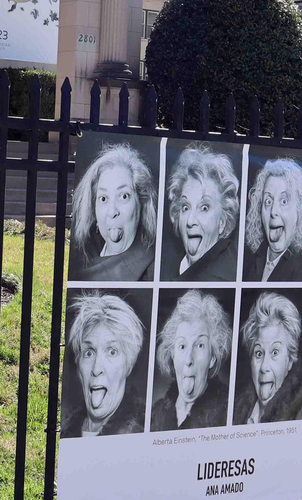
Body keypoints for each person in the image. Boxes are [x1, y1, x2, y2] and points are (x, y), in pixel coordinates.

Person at [69, 142, 158, 281]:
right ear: (94, 209)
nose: (112, 212)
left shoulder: (154, 270)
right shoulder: (81, 263)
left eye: (124, 196)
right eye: (103, 198)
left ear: (141, 202)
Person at [62, 293, 147, 437]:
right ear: (78, 365)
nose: (96, 369)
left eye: (112, 352)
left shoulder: (143, 431)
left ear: (129, 364)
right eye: (89, 353)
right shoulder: (64, 430)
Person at [150, 291, 231, 431]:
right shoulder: (156, 414)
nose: (189, 359)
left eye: (200, 345)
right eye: (182, 346)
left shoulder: (229, 412)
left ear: (212, 358)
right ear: (173, 356)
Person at [163, 142, 241, 281]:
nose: (191, 221)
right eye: (185, 207)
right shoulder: (165, 268)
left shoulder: (224, 280)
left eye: (204, 208)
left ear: (222, 222)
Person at [233, 292, 302, 425]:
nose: (264, 367)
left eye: (275, 352)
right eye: (259, 353)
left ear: (290, 360)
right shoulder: (234, 412)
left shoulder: (300, 417)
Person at [242, 157, 302, 282]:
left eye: (284, 201)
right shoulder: (248, 262)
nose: (274, 211)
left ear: (300, 210)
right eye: (268, 201)